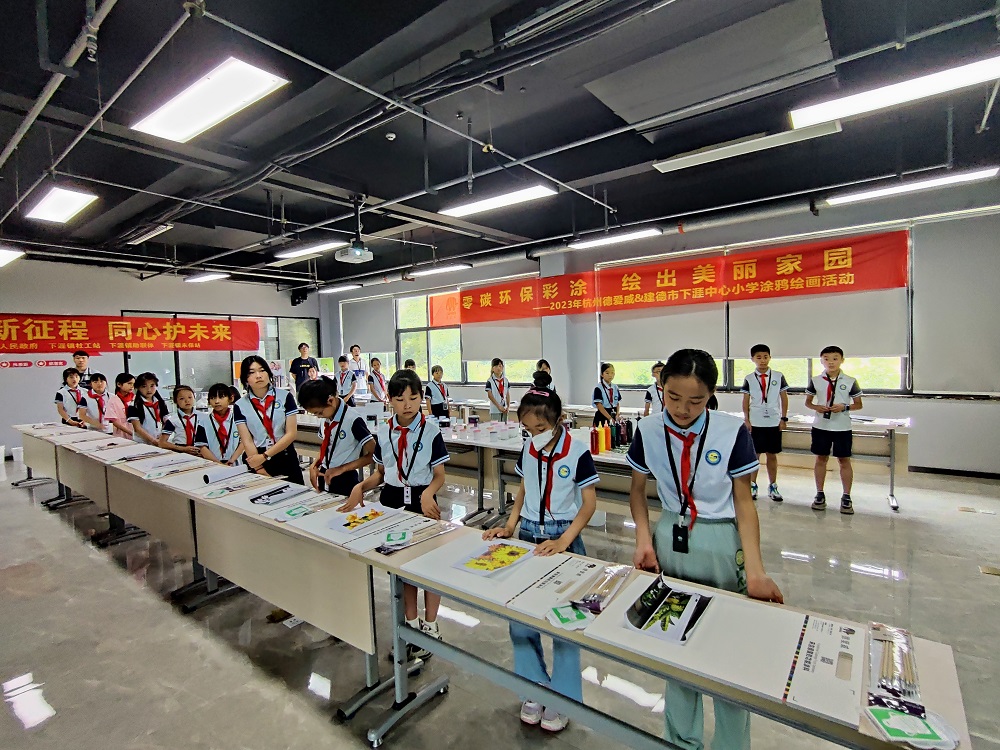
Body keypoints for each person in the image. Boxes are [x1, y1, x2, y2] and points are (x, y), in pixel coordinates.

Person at [626, 349, 783, 750]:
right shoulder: (647, 429)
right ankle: (681, 740)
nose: (682, 409)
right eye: (673, 397)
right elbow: (637, 491)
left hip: (719, 540)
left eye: (695, 400)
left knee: (728, 652)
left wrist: (756, 572)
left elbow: (744, 503)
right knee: (674, 645)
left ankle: (731, 744)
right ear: (661, 387)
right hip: (670, 538)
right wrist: (644, 539)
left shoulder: (731, 431)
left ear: (711, 395)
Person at [482, 372, 598, 732]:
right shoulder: (529, 448)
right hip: (529, 536)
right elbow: (523, 488)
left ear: (558, 421)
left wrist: (564, 542)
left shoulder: (577, 451)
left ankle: (563, 699)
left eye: (540, 428)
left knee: (565, 624)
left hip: (563, 539)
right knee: (520, 619)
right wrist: (510, 524)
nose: (534, 435)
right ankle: (533, 688)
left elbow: (588, 505)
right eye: (528, 429)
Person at [339, 369, 450, 659]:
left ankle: (431, 626)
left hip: (423, 502)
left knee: (429, 566)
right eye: (400, 399)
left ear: (421, 398)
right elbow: (380, 472)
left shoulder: (431, 430)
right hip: (392, 502)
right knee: (402, 569)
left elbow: (439, 474)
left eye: (413, 398)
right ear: (390, 400)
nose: (407, 404)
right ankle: (410, 626)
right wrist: (360, 487)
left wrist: (428, 493)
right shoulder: (384, 431)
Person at [805, 346, 863, 515]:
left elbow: (859, 404)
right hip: (821, 426)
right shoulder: (816, 380)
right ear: (821, 361)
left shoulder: (850, 381)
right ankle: (819, 493)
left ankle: (846, 496)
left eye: (835, 358)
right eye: (826, 359)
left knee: (844, 460)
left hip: (842, 427)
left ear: (842, 360)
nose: (831, 362)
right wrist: (817, 407)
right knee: (820, 459)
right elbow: (808, 402)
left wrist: (844, 407)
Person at [234, 356, 304, 484]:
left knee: (295, 492)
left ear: (268, 373)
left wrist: (265, 455)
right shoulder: (240, 405)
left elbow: (291, 433)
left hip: (284, 454)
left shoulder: (285, 397)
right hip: (256, 457)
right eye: (252, 372)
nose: (258, 376)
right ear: (245, 378)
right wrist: (259, 468)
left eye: (262, 370)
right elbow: (247, 440)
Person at [299, 378, 375, 496]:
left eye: (319, 413)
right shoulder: (326, 418)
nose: (319, 417)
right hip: (325, 474)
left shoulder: (352, 419)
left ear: (330, 400)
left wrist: (342, 469)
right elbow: (326, 447)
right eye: (315, 414)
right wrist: (314, 465)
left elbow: (374, 454)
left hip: (345, 477)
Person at [740, 345, 789, 502]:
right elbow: (745, 400)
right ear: (753, 359)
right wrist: (747, 419)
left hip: (774, 421)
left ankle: (773, 485)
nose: (762, 360)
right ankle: (753, 485)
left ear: (770, 358)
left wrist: (784, 418)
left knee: (772, 455)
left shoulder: (778, 376)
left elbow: (784, 398)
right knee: (755, 455)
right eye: (759, 357)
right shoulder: (749, 378)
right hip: (756, 422)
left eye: (765, 357)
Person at [195, 383, 244, 465]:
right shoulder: (203, 422)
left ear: (231, 398)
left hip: (235, 463)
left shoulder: (238, 419)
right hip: (212, 464)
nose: (217, 401)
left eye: (221, 397)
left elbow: (244, 442)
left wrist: (232, 460)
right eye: (212, 398)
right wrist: (218, 463)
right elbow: (202, 446)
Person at [127, 372, 169, 444]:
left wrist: (162, 437)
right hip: (142, 443)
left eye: (152, 386)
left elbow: (166, 421)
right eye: (144, 386)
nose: (149, 390)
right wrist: (154, 441)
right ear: (138, 388)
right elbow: (137, 428)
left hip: (159, 440)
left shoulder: (160, 402)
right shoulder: (134, 405)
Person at [159, 385, 202, 455]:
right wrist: (183, 449)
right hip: (180, 451)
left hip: (200, 451)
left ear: (194, 397)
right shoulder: (172, 420)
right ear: (175, 401)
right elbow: (162, 443)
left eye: (190, 397)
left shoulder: (203, 417)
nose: (187, 401)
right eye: (182, 398)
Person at [105, 373, 135, 439]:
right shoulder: (112, 400)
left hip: (136, 432)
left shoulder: (135, 398)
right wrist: (130, 432)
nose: (132, 386)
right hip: (121, 434)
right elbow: (114, 422)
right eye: (129, 383)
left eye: (133, 384)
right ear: (119, 384)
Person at [485, 357, 510, 422]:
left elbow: (507, 395)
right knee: (495, 427)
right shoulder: (490, 381)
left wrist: (508, 406)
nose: (498, 368)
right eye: (496, 366)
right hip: (495, 410)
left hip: (504, 409)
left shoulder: (505, 380)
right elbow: (490, 396)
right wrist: (499, 406)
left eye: (500, 366)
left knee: (505, 426)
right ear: (492, 368)